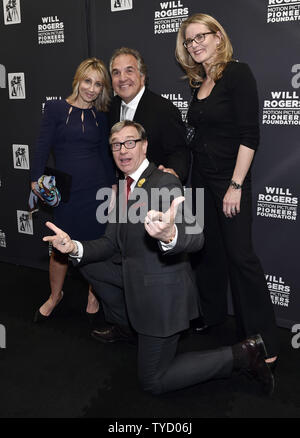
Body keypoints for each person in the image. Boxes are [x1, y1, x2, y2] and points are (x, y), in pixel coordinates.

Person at [42, 120, 274, 396]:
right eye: (116, 144)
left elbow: (196, 236)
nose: (122, 150)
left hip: (162, 296)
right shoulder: (123, 186)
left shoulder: (164, 181)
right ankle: (127, 324)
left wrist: (169, 235)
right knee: (88, 262)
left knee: (153, 380)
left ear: (144, 146)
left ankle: (243, 354)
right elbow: (108, 243)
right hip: (136, 281)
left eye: (130, 142)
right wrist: (73, 248)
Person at [175, 13, 278, 367]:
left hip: (229, 181)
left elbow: (250, 136)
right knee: (209, 253)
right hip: (202, 180)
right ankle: (214, 316)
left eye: (201, 36)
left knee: (240, 257)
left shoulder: (237, 73)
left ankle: (264, 339)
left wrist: (235, 185)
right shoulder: (197, 83)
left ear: (219, 37)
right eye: (189, 41)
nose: (195, 44)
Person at [31, 58, 116, 322]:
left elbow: (104, 153)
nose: (91, 89)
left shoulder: (100, 116)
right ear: (78, 79)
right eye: (87, 81)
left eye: (98, 84)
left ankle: (94, 293)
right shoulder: (56, 109)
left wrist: (112, 186)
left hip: (96, 188)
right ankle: (55, 295)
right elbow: (42, 145)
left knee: (93, 244)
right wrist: (35, 180)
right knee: (59, 247)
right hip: (67, 192)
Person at [108, 47, 190, 182]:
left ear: (142, 76)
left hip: (154, 193)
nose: (122, 78)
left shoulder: (164, 109)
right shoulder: (109, 108)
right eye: (116, 73)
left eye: (129, 71)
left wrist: (173, 173)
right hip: (121, 193)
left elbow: (179, 152)